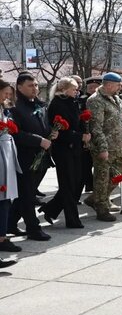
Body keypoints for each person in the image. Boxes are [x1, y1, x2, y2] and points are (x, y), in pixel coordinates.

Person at [7, 74, 53, 240]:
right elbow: (15, 133)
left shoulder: (40, 105)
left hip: (41, 156)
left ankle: (10, 224)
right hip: (24, 157)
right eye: (30, 85)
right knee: (27, 195)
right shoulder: (15, 107)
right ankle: (34, 229)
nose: (34, 88)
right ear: (19, 87)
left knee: (26, 193)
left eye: (35, 85)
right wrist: (38, 140)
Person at [40, 77, 85, 228]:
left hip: (75, 147)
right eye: (74, 89)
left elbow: (75, 124)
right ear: (64, 90)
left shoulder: (72, 102)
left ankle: (50, 208)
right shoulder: (57, 104)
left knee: (77, 182)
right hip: (63, 149)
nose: (76, 91)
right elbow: (58, 132)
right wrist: (80, 136)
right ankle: (72, 219)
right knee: (68, 184)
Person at [86, 73, 122, 222]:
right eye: (118, 85)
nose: (121, 87)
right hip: (104, 147)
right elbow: (96, 127)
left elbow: (121, 123)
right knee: (102, 178)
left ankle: (97, 198)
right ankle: (101, 208)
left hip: (118, 146)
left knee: (119, 175)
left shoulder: (117, 99)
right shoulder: (95, 100)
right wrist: (102, 148)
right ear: (109, 85)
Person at [0, 79, 22, 264]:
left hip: (6, 153)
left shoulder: (5, 109)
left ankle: (2, 236)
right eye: (4, 93)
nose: (7, 97)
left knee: (6, 198)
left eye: (9, 93)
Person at [79, 77, 100, 200]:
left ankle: (96, 190)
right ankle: (88, 185)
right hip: (86, 137)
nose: (92, 90)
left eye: (95, 87)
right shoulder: (82, 100)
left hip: (98, 137)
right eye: (90, 87)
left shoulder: (101, 100)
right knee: (85, 166)